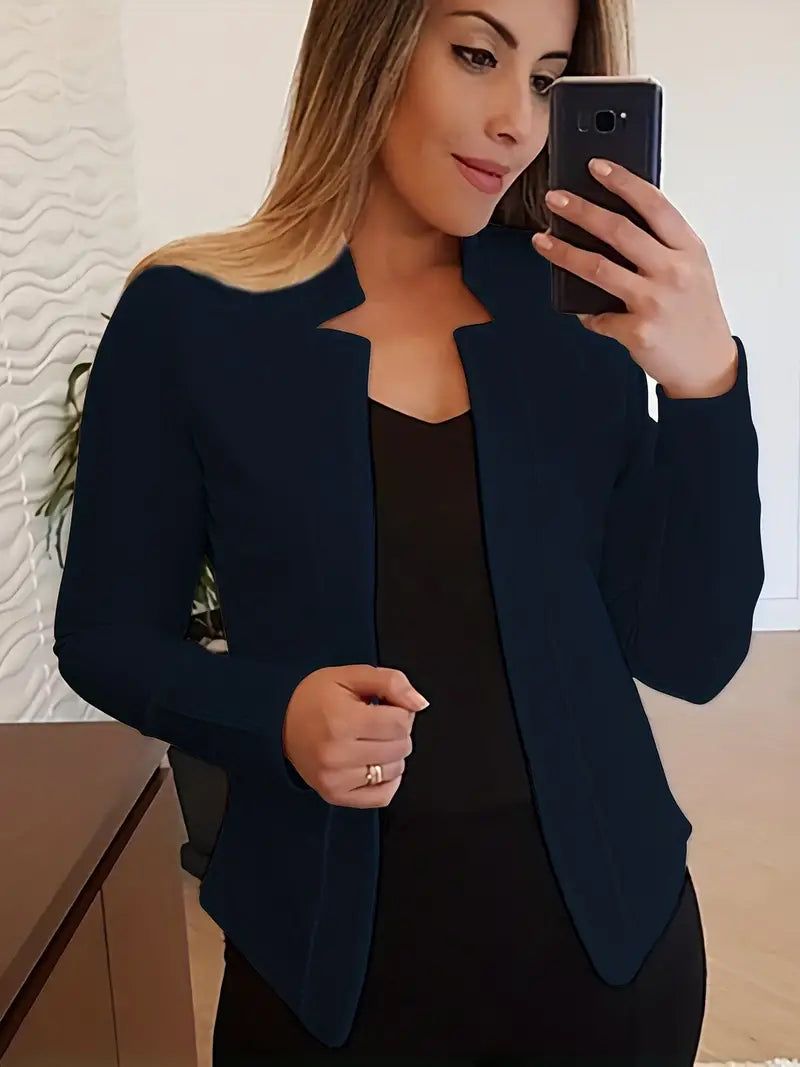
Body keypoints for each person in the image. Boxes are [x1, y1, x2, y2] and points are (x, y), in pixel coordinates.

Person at [54, 0, 765, 1063]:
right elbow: (104, 636)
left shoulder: (580, 311)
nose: (517, 121)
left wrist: (706, 387)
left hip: (609, 959)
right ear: (370, 43)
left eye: (547, 78)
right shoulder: (187, 316)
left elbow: (691, 654)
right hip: (321, 975)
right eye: (476, 54)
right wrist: (275, 713)